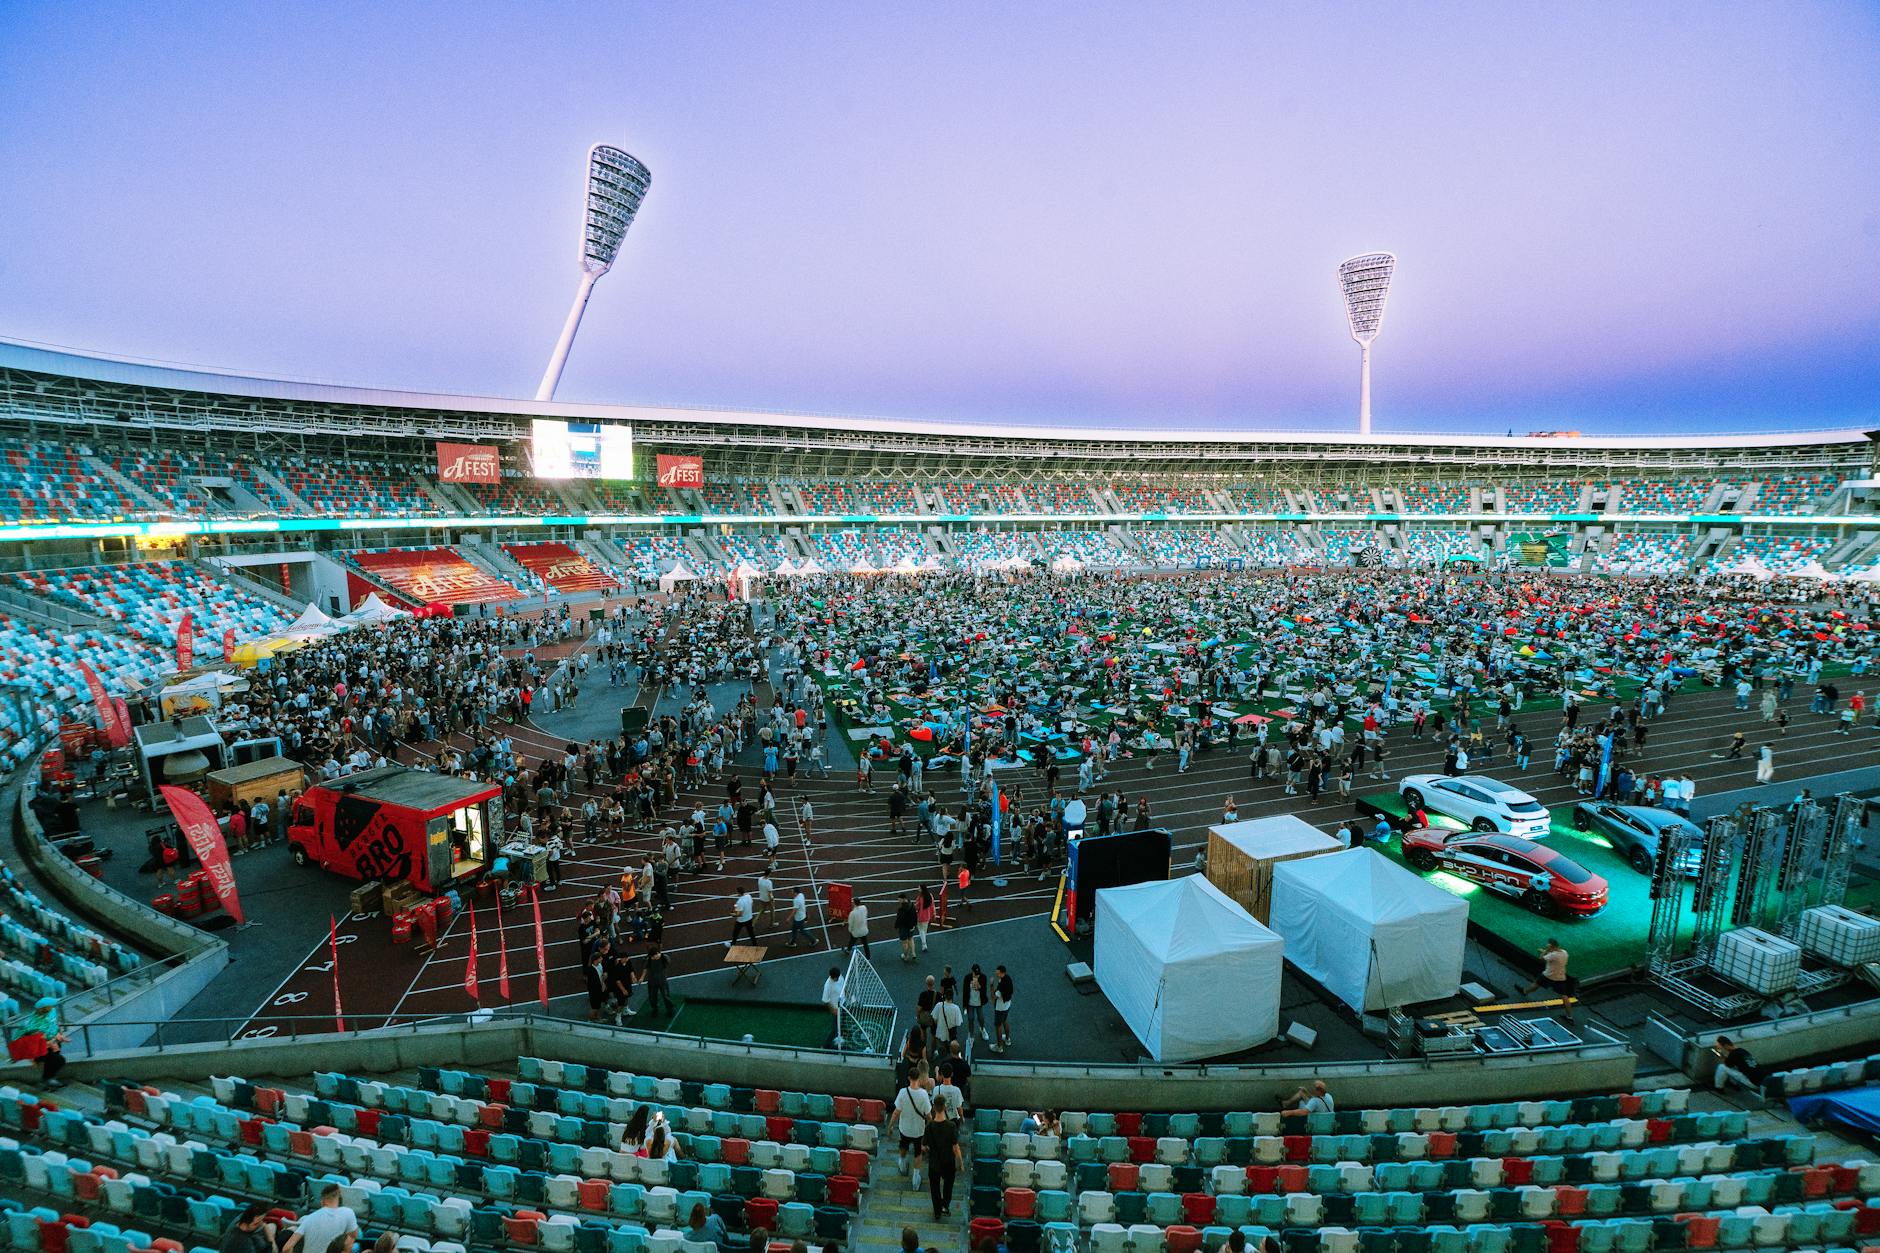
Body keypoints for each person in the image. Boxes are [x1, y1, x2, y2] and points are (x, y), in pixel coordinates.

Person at [281, 1183, 359, 1253]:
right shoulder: (348, 1212)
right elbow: (351, 1240)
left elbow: (286, 1248)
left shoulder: (309, 1218)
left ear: (322, 1201)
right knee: (358, 1244)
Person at [925, 1092, 963, 1219]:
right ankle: (945, 1205)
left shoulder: (929, 1126)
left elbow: (924, 1145)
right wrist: (961, 1163)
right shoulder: (951, 1126)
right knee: (948, 1185)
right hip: (948, 1162)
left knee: (934, 1188)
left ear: (934, 1107)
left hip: (934, 1162)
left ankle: (937, 1212)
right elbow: (955, 1147)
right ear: (945, 1107)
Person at [892, 1070, 933, 1188]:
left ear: (909, 1078)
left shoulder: (902, 1092)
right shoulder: (923, 1094)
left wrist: (890, 1126)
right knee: (917, 1152)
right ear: (919, 1078)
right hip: (918, 1131)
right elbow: (928, 1115)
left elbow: (896, 1112)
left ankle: (902, 1164)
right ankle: (915, 1177)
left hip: (904, 1128)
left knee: (903, 1146)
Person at [1523, 938, 1576, 1023]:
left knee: (1536, 985)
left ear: (1551, 946)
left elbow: (1541, 958)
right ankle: (1570, 1017)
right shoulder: (1564, 953)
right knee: (1564, 996)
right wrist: (1546, 950)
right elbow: (1554, 955)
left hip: (1549, 976)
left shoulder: (1552, 955)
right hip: (1560, 977)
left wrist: (1545, 950)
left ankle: (1524, 992)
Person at [641, 944, 674, 1017]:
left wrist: (661, 956)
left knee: (666, 996)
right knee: (653, 997)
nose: (652, 958)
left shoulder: (664, 958)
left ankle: (670, 1009)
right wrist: (642, 978)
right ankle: (655, 1009)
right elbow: (645, 968)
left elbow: (668, 962)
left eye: (653, 956)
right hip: (652, 981)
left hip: (662, 981)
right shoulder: (649, 959)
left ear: (657, 954)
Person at [991, 965, 1014, 1053]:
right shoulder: (1008, 978)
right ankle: (1007, 1039)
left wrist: (991, 985)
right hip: (1007, 1005)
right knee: (1005, 1020)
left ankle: (999, 1047)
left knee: (998, 1026)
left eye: (997, 972)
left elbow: (993, 997)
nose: (996, 974)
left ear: (1001, 972)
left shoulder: (1001, 987)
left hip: (1000, 1008)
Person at [822, 965, 846, 1048]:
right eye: (836, 978)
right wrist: (833, 1010)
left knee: (843, 1021)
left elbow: (844, 985)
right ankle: (826, 1046)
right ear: (832, 977)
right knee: (835, 1028)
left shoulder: (840, 977)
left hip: (843, 1003)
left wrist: (849, 996)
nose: (838, 979)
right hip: (836, 1008)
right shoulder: (828, 985)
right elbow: (825, 1000)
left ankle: (841, 1035)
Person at [895, 893, 918, 963]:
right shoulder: (912, 905)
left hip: (904, 928)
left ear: (903, 899)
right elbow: (915, 915)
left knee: (904, 942)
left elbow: (899, 919)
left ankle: (906, 956)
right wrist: (914, 924)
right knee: (911, 939)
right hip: (911, 926)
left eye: (899, 900)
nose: (899, 901)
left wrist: (896, 925)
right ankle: (913, 953)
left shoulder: (901, 909)